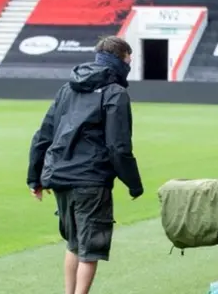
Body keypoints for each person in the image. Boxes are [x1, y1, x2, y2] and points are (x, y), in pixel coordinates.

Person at [26, 35, 144, 294]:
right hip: (90, 180)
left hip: (59, 176)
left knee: (74, 243)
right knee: (89, 249)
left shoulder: (67, 89)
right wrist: (134, 184)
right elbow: (118, 146)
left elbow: (43, 135)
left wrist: (34, 178)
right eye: (128, 60)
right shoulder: (116, 93)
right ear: (119, 60)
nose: (130, 65)